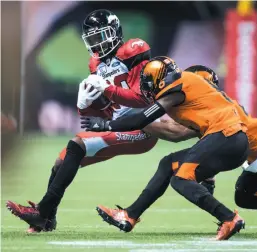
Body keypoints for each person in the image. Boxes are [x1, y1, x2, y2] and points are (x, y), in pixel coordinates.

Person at [5, 9, 197, 233]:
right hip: (119, 127)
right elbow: (95, 118)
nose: (96, 44)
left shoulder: (133, 50)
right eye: (92, 39)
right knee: (62, 161)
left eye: (100, 37)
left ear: (115, 33)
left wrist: (108, 88)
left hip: (141, 127)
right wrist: (84, 104)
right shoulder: (95, 65)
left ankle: (41, 213)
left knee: (78, 144)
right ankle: (47, 220)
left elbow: (139, 99)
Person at [91, 65, 257, 236]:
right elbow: (183, 135)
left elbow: (207, 137)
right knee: (243, 196)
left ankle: (227, 218)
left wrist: (121, 121)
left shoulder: (215, 105)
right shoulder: (207, 108)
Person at [80, 57, 250, 240]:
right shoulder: (208, 104)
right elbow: (175, 133)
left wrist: (108, 124)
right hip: (232, 143)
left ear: (161, 80)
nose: (147, 89)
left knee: (180, 180)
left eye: (149, 84)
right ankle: (129, 215)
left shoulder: (179, 86)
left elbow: (143, 118)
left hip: (226, 137)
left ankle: (229, 218)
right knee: (168, 164)